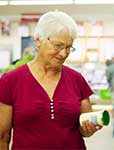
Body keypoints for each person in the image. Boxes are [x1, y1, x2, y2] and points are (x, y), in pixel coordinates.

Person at [0, 11, 102, 150]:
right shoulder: (10, 81)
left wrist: (88, 129)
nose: (64, 54)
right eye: (58, 46)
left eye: (68, 47)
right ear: (38, 40)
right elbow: (3, 136)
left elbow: (84, 128)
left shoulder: (77, 80)